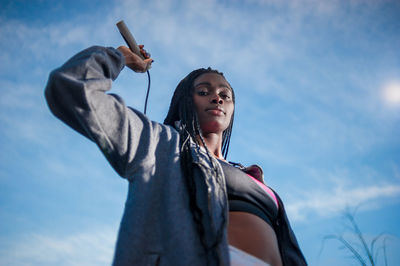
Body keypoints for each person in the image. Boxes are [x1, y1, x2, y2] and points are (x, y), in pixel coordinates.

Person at [45, 44, 307, 266]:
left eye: (225, 95)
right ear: (184, 101)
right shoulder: (158, 144)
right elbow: (70, 87)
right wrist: (120, 57)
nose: (217, 98)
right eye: (204, 92)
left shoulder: (251, 174)